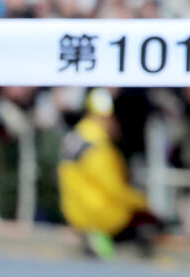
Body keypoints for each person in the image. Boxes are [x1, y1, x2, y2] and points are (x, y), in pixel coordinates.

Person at [58, 89, 162, 258]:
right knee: (147, 220)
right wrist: (144, 203)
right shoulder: (99, 147)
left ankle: (96, 239)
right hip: (98, 213)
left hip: (74, 210)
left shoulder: (75, 137)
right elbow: (115, 189)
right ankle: (103, 241)